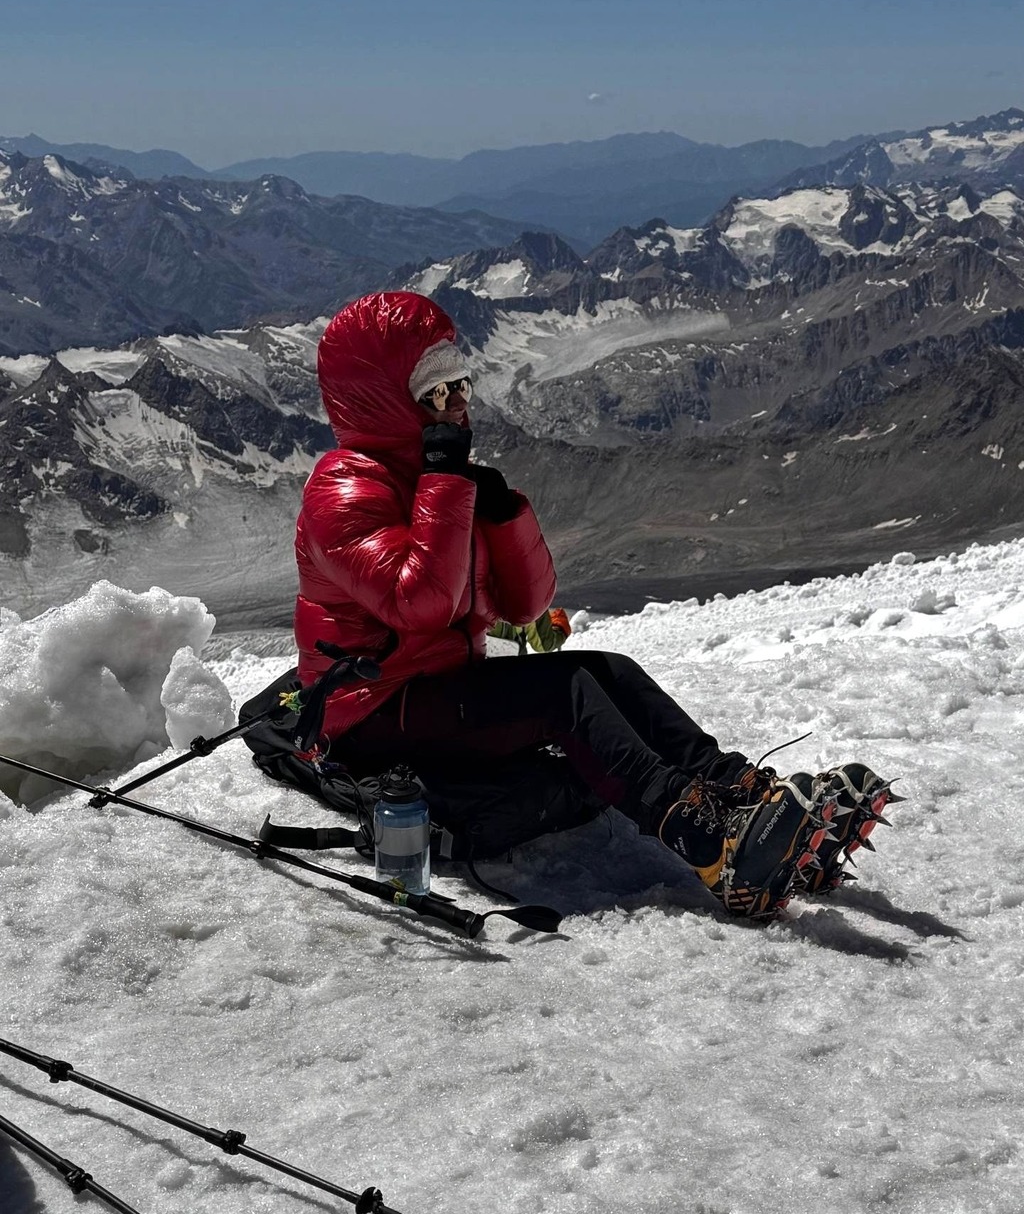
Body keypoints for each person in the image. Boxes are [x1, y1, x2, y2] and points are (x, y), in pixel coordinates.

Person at [292, 291, 897, 917]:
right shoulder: (343, 491)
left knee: (609, 670)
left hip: (436, 688)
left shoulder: (433, 480)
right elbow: (419, 605)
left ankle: (741, 792)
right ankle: (708, 842)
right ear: (385, 400)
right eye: (436, 393)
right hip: (371, 712)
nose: (458, 405)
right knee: (563, 694)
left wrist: (504, 516)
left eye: (460, 385)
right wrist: (446, 486)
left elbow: (525, 605)